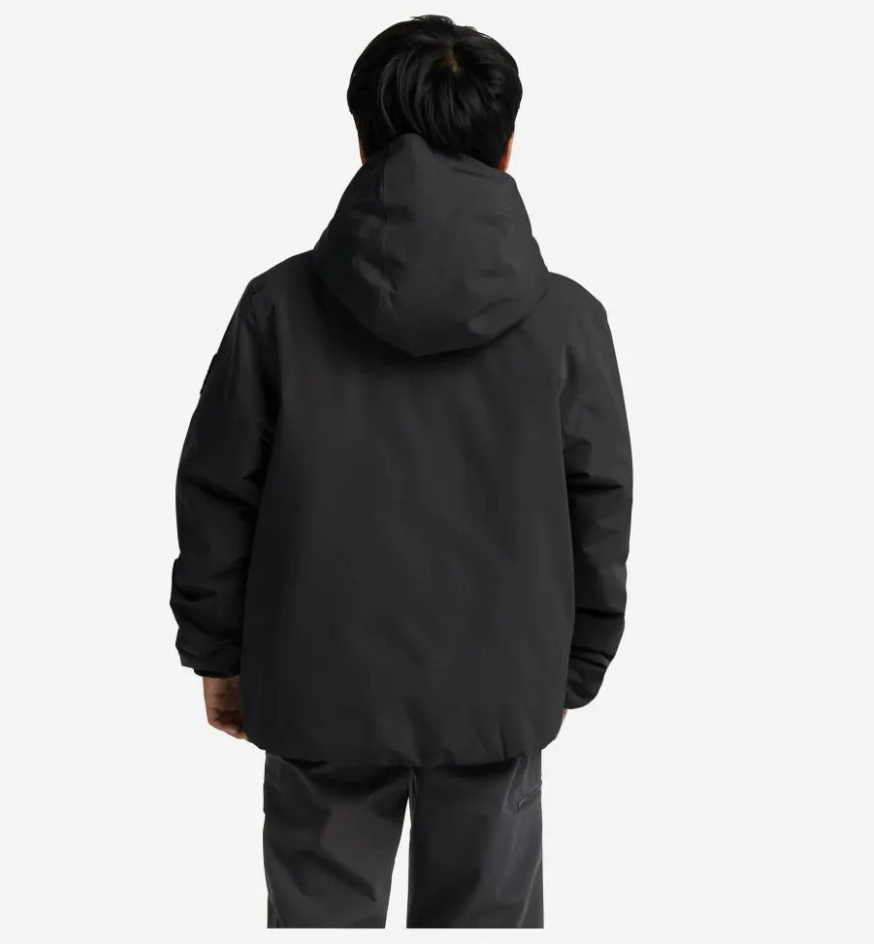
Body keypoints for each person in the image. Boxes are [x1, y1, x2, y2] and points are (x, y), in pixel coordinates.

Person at [171, 14, 632, 929]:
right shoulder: (567, 320)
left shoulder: (278, 307)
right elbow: (600, 504)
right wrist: (578, 661)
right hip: (499, 684)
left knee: (319, 921)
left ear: (362, 142)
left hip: (315, 676)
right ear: (508, 147)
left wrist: (217, 654)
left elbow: (220, 492)